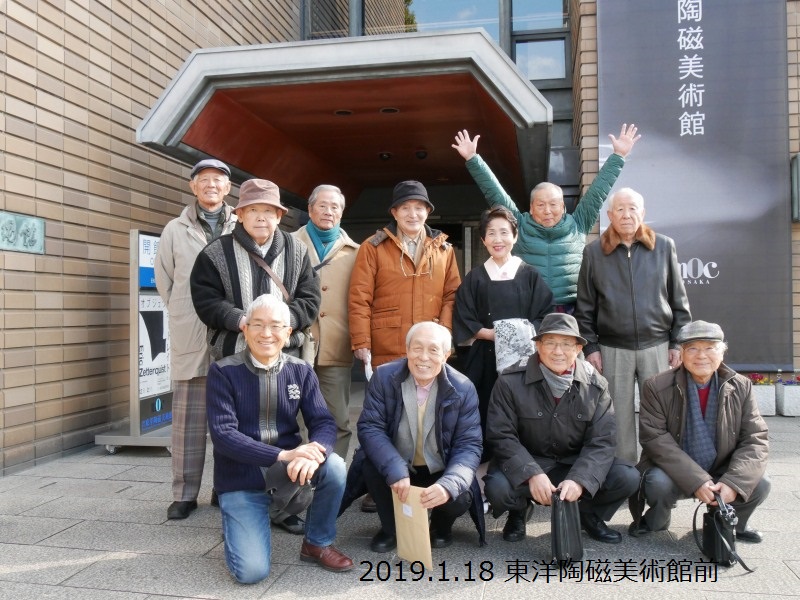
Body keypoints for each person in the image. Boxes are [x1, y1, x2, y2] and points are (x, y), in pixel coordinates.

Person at [191, 178, 321, 534]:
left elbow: (310, 299)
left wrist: (277, 324)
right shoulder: (216, 252)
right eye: (253, 211)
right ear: (240, 214)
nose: (261, 217)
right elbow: (205, 299)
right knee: (233, 426)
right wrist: (242, 320)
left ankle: (287, 500)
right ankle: (230, 489)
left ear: (279, 216)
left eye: (268, 211)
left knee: (287, 426)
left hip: (285, 358)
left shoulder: (297, 251)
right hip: (234, 356)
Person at [206, 294, 353, 584]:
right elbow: (223, 435)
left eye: (275, 326)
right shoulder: (223, 372)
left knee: (334, 466)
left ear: (288, 333)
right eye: (257, 324)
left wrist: (316, 452)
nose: (266, 333)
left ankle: (317, 543)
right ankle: (240, 519)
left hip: (289, 474)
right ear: (244, 329)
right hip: (241, 479)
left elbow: (323, 422)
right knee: (251, 573)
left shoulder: (301, 371)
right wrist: (284, 455)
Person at [484, 313, 640, 545]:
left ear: (578, 348)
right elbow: (501, 435)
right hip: (529, 461)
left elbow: (602, 441)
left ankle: (588, 514)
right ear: (538, 345)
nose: (558, 351)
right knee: (497, 487)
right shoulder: (510, 380)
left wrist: (579, 480)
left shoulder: (596, 385)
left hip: (572, 463)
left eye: (566, 344)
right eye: (550, 343)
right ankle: (519, 511)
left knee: (627, 477)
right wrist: (531, 474)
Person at [451, 124, 640, 312]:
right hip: (530, 309)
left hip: (572, 309)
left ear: (563, 207)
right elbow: (494, 192)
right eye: (541, 205)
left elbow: (598, 191)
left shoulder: (578, 223)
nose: (547, 211)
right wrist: (472, 158)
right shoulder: (520, 225)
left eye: (553, 204)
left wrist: (618, 156)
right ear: (531, 208)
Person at [574, 187, 691, 462]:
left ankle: (659, 469)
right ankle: (624, 471)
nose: (627, 215)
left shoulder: (663, 246)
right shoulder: (594, 253)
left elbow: (678, 299)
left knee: (661, 413)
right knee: (617, 415)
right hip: (613, 348)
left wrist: (677, 343)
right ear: (610, 215)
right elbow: (585, 306)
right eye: (620, 209)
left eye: (632, 208)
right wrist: (591, 347)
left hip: (657, 345)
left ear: (643, 212)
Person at [346, 321, 484, 552]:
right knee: (373, 466)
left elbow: (469, 445)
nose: (423, 357)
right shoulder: (384, 376)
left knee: (459, 493)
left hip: (440, 467)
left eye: (433, 350)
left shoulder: (463, 387)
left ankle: (440, 527)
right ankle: (391, 529)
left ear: (446, 355)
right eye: (417, 348)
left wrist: (448, 485)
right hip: (400, 464)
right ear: (407, 350)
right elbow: (370, 427)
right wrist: (394, 468)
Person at [630, 321, 770, 542]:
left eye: (709, 348)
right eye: (692, 348)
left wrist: (733, 481)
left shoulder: (741, 385)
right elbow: (655, 439)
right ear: (681, 354)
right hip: (674, 469)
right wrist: (697, 480)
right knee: (657, 483)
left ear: (722, 352)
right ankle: (656, 519)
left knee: (760, 483)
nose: (701, 356)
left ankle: (731, 522)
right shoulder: (656, 386)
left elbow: (755, 438)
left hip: (721, 467)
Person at [155, 158, 236, 520]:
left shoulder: (240, 223)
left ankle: (225, 487)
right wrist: (182, 311)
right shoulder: (175, 228)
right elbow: (165, 280)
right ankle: (185, 494)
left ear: (228, 187)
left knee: (230, 419)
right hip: (190, 333)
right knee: (188, 421)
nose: (211, 185)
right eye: (204, 179)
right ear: (193, 186)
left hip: (231, 332)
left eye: (218, 180)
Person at [453, 205, 553, 460]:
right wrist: (493, 335)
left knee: (524, 410)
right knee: (484, 409)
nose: (498, 239)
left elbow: (544, 315)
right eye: (491, 233)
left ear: (515, 236)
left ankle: (524, 463)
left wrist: (516, 336)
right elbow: (463, 317)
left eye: (504, 232)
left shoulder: (530, 275)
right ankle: (485, 463)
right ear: (483, 239)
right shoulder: (475, 278)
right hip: (484, 359)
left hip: (525, 361)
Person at [349, 180, 461, 368]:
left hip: (430, 345)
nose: (413, 214)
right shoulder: (372, 247)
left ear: (427, 211)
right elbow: (360, 298)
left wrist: (444, 333)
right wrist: (361, 340)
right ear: (394, 213)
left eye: (419, 208)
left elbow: (452, 296)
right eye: (405, 208)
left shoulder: (444, 250)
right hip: (387, 345)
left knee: (427, 388)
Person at [292, 185, 359, 458]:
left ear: (341, 213)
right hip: (295, 343)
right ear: (310, 209)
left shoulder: (356, 252)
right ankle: (295, 474)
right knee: (293, 417)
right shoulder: (288, 243)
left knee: (338, 418)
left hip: (336, 345)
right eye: (322, 205)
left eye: (335, 207)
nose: (328, 211)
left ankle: (333, 473)